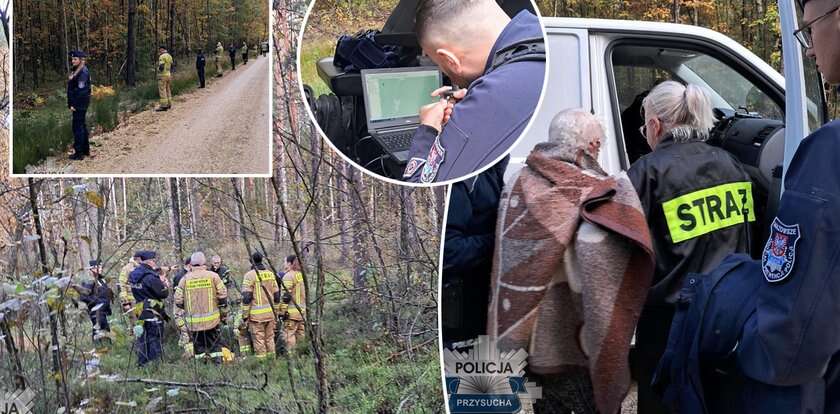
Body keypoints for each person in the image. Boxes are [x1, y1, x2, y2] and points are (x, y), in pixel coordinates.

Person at [656, 1, 840, 412]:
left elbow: (787, 342)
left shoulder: (831, 153)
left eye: (809, 30)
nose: (809, 49)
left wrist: (729, 342)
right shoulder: (735, 168)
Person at [486, 110, 654, 414]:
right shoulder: (596, 191)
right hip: (574, 348)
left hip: (531, 344)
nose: (599, 152)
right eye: (599, 145)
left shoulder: (517, 182)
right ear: (588, 147)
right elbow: (603, 278)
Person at [627, 80, 755, 414]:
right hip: (725, 316)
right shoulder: (733, 165)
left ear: (655, 126)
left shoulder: (646, 172)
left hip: (668, 326)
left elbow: (623, 254)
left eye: (644, 126)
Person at [402, 0, 545, 183]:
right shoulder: (538, 37)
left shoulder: (492, 97)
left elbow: (417, 186)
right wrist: (471, 97)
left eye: (439, 64)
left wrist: (427, 129)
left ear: (450, 60)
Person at [441, 156, 507, 350]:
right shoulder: (464, 180)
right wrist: (500, 239)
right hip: (460, 314)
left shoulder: (494, 171)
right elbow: (448, 251)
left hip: (483, 310)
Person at [175, 252, 228, 363]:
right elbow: (223, 296)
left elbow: (178, 300)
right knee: (215, 346)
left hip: (193, 322)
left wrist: (188, 307)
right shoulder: (213, 276)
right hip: (212, 320)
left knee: (199, 348)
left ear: (191, 264)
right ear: (204, 263)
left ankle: (202, 368)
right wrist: (222, 313)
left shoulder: (185, 279)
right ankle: (218, 365)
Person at [129, 251, 169, 366]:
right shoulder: (151, 277)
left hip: (139, 310)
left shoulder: (133, 275)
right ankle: (155, 365)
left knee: (142, 337)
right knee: (154, 337)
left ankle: (142, 363)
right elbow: (163, 294)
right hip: (153, 310)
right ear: (150, 261)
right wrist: (165, 285)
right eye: (154, 260)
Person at [241, 252, 281, 359]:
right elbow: (277, 296)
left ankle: (263, 366)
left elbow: (247, 298)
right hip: (270, 315)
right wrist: (276, 312)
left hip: (256, 317)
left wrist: (245, 315)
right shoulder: (270, 274)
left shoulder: (249, 275)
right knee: (270, 339)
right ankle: (272, 362)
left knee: (259, 341)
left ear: (251, 261)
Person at [76, 260, 114, 347]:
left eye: (101, 267)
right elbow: (84, 297)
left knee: (105, 330)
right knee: (98, 330)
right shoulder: (89, 281)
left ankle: (107, 349)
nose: (100, 269)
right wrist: (97, 302)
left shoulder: (101, 279)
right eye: (98, 267)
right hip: (96, 311)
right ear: (92, 269)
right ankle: (98, 348)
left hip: (103, 311)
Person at [67, 50, 91, 160]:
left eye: (75, 59)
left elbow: (81, 91)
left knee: (78, 127)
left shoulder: (83, 72)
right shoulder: (77, 70)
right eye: (72, 59)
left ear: (81, 60)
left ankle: (79, 152)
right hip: (80, 103)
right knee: (81, 126)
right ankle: (85, 150)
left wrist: (74, 104)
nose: (73, 61)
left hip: (79, 104)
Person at [279, 255, 306, 350]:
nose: (284, 264)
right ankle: (302, 355)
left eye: (285, 262)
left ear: (290, 263)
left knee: (289, 336)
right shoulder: (301, 275)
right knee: (300, 334)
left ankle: (292, 358)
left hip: (290, 313)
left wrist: (282, 312)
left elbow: (286, 296)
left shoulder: (288, 276)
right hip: (302, 312)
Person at [172, 257, 193, 358]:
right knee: (185, 330)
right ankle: (188, 354)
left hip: (185, 306)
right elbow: (178, 296)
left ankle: (181, 347)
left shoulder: (185, 275)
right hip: (181, 307)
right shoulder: (180, 276)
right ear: (189, 265)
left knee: (185, 330)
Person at [119, 254, 140, 324]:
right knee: (135, 323)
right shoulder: (127, 268)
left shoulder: (141, 267)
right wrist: (125, 303)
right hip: (132, 301)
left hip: (141, 299)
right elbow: (122, 285)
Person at [156, 46, 174, 111]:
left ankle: (163, 106)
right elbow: (172, 66)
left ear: (162, 49)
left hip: (162, 75)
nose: (159, 51)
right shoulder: (169, 56)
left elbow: (161, 66)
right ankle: (169, 104)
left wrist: (158, 70)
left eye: (160, 50)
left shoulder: (162, 56)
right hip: (168, 75)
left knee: (162, 90)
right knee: (168, 89)